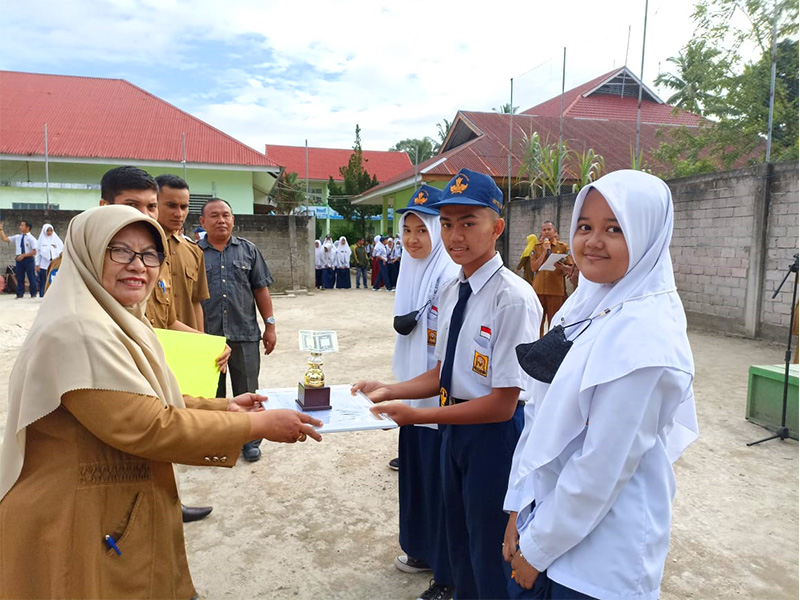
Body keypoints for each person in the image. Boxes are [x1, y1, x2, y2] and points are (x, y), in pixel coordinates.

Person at [0, 205, 323, 600]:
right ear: (87, 254)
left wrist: (225, 408)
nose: (138, 265)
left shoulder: (114, 317)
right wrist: (257, 426)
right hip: (77, 515)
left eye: (150, 254)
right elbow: (148, 424)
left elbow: (146, 396)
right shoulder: (78, 331)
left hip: (107, 502)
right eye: (119, 250)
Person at [504, 170, 698, 600]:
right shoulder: (588, 302)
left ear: (648, 235)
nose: (593, 241)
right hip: (547, 518)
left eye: (615, 229)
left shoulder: (646, 336)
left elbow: (602, 467)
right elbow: (540, 413)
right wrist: (519, 505)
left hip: (598, 563)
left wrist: (536, 549)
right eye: (585, 226)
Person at [355, 168, 542, 599]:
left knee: (489, 543)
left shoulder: (511, 299)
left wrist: (422, 414)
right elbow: (442, 373)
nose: (455, 235)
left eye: (468, 222)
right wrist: (388, 389)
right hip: (452, 430)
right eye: (448, 223)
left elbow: (500, 403)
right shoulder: (451, 291)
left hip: (492, 438)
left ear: (497, 227)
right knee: (456, 533)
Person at [100, 166, 228, 522]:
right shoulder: (97, 259)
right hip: (124, 359)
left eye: (151, 207)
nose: (148, 215)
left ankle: (165, 504)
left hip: (168, 354)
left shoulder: (183, 250)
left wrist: (207, 346)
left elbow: (176, 313)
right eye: (132, 205)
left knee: (169, 426)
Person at [388, 185, 460, 600]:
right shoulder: (409, 270)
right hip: (414, 400)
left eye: (422, 229)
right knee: (417, 477)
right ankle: (420, 548)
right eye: (408, 229)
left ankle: (440, 559)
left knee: (438, 482)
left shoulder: (448, 275)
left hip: (440, 405)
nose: (413, 238)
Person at [199, 198, 277, 463]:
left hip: (245, 335)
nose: (221, 220)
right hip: (208, 339)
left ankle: (250, 441)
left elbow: (260, 289)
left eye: (226, 215)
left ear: (233, 219)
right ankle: (218, 441)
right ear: (203, 222)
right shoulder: (194, 253)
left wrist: (270, 326)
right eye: (214, 216)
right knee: (213, 394)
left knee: (248, 391)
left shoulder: (248, 251)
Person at [155, 174, 210, 332]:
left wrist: (201, 340)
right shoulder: (141, 251)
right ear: (154, 203)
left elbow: (195, 302)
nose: (179, 213)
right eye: (171, 205)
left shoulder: (194, 251)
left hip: (186, 346)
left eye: (184, 207)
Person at [529, 221, 575, 336]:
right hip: (538, 290)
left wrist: (562, 266)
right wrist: (545, 251)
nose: (546, 232)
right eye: (544, 230)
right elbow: (534, 268)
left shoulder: (563, 247)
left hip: (555, 290)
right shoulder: (537, 248)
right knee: (537, 322)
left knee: (554, 322)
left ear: (554, 232)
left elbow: (571, 268)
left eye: (549, 229)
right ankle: (536, 345)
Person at [0, 220, 38, 299]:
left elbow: (34, 251)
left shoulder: (32, 238)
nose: (20, 227)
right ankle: (20, 293)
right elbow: (4, 239)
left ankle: (33, 293)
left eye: (22, 225)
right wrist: (1, 230)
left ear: (27, 227)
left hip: (28, 259)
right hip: (19, 259)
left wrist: (24, 255)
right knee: (20, 277)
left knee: (31, 276)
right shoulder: (18, 237)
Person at [32, 223, 63, 297]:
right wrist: (37, 264)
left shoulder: (56, 240)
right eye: (47, 231)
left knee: (54, 279)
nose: (49, 232)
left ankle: (54, 295)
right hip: (44, 264)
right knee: (44, 280)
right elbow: (38, 253)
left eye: (50, 231)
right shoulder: (41, 241)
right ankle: (43, 295)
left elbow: (62, 250)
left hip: (54, 264)